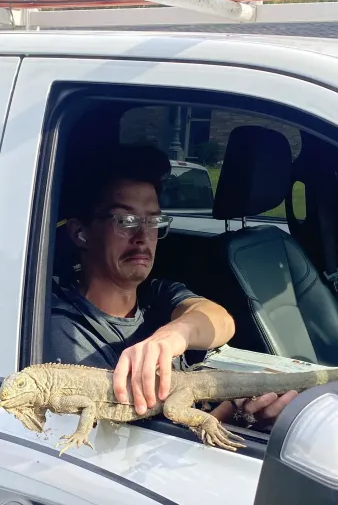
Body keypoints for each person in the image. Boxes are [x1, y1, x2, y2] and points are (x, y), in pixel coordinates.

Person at [45, 143, 297, 430]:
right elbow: (127, 441)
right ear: (81, 233)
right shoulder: (67, 333)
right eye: (125, 220)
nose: (143, 235)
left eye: (153, 220)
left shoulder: (155, 293)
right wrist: (231, 417)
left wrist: (177, 334)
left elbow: (221, 321)